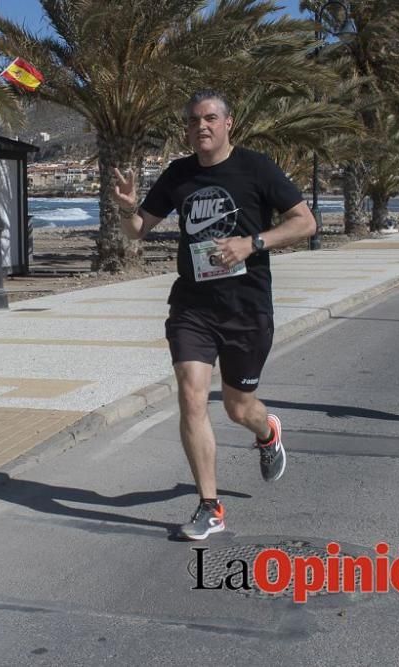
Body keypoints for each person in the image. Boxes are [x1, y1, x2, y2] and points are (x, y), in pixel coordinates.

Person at [110, 90, 316, 540]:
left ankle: (267, 431)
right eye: (192, 121)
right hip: (193, 306)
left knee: (240, 408)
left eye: (208, 119)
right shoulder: (179, 174)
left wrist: (252, 242)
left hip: (246, 307)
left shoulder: (256, 168)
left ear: (228, 123)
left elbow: (305, 222)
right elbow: (140, 230)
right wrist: (127, 208)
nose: (200, 126)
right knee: (191, 395)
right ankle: (210, 506)